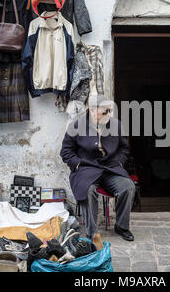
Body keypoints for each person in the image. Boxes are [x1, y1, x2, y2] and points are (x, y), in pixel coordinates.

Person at [60, 95, 135, 241]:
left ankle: (121, 226)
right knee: (88, 191)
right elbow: (66, 152)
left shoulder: (116, 125)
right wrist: (78, 164)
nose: (109, 115)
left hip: (110, 168)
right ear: (93, 111)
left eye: (109, 111)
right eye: (105, 112)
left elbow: (123, 149)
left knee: (128, 187)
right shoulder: (76, 126)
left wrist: (119, 162)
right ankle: (92, 232)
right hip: (86, 169)